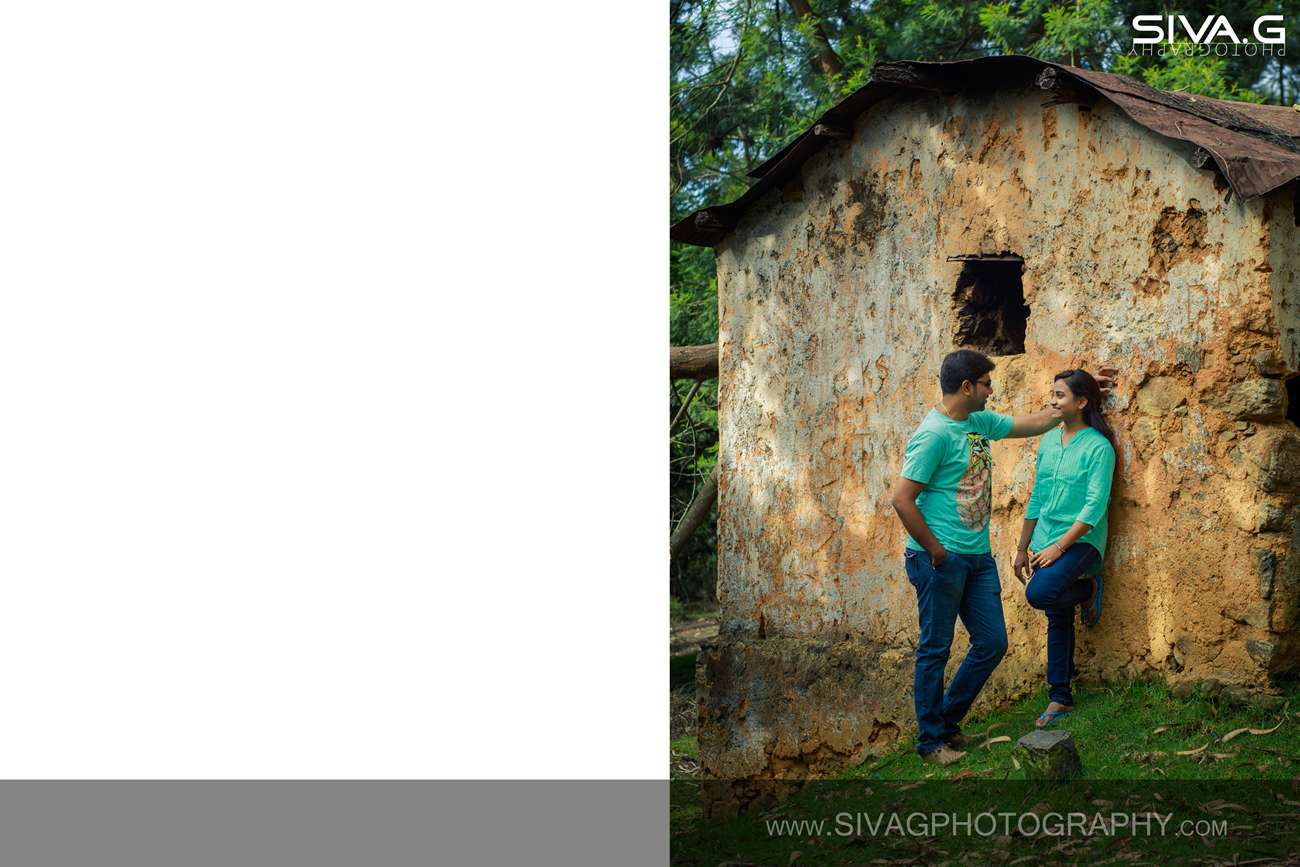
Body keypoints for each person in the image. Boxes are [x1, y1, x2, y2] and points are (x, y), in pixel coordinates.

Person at [890, 349, 1064, 766]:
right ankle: (931, 743)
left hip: (977, 558)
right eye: (987, 383)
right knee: (935, 648)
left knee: (991, 642)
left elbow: (1035, 422)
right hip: (939, 560)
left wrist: (1079, 397)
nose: (992, 390)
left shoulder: (978, 422)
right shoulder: (933, 435)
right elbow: (902, 499)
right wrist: (936, 551)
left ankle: (946, 723)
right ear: (967, 387)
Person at [1013, 369, 1117, 729]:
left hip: (1082, 542)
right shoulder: (1048, 442)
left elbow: (1094, 507)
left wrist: (1058, 548)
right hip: (1045, 540)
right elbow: (1038, 497)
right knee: (1057, 610)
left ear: (1082, 402)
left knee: (1040, 593)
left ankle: (1088, 585)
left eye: (1060, 395)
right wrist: (1022, 547)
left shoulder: (1098, 448)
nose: (1052, 401)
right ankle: (1060, 697)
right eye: (1052, 394)